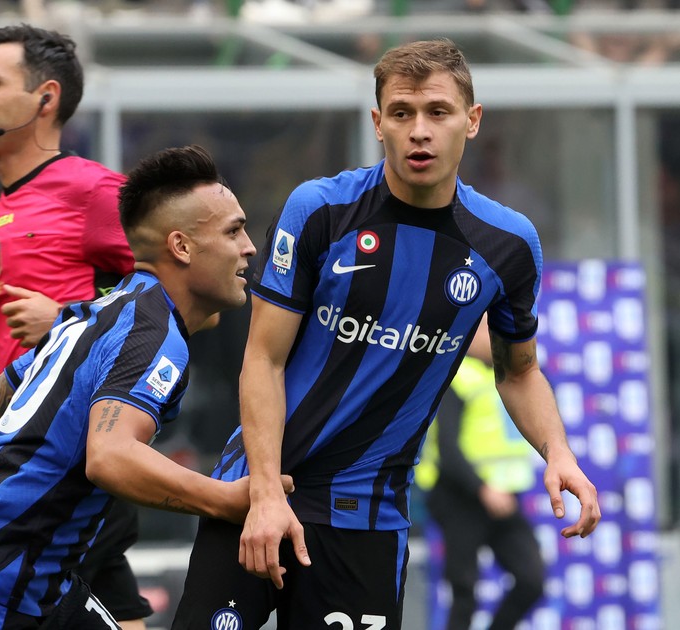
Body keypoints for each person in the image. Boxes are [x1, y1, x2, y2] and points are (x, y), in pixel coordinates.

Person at [172, 38, 600, 630]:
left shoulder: (508, 244)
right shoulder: (320, 210)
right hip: (258, 492)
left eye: (437, 112)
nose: (418, 130)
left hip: (367, 522)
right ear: (378, 123)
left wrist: (558, 452)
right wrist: (267, 494)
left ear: (472, 122)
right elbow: (263, 360)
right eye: (401, 113)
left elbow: (518, 369)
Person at [0, 144, 282, 630]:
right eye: (233, 231)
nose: (249, 246)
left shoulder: (91, 316)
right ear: (181, 247)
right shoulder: (152, 331)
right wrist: (225, 499)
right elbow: (111, 456)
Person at [0, 24, 149, 629]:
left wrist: (69, 318)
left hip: (63, 462)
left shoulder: (93, 190)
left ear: (45, 99)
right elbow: (25, 361)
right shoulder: (2, 208)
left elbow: (170, 298)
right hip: (26, 452)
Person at [417, 318, 545, 629]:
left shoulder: (506, 376)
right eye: (490, 331)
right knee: (464, 592)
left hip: (503, 499)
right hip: (459, 497)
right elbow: (448, 450)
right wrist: (484, 489)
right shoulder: (456, 376)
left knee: (532, 580)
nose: (499, 338)